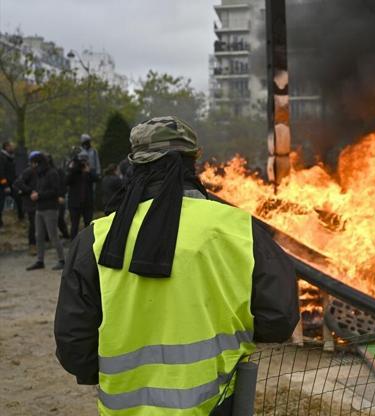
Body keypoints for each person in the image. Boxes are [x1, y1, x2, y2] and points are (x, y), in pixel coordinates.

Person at [55, 116, 299, 415]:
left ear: (135, 164)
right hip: (215, 405)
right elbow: (279, 319)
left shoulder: (95, 238)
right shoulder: (238, 229)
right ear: (193, 161)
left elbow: (74, 346)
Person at [26, 152, 65, 270]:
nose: (32, 166)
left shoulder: (52, 173)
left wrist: (39, 195)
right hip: (40, 208)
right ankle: (40, 260)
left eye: (33, 163)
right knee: (39, 235)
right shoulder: (40, 174)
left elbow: (55, 191)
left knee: (53, 236)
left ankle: (62, 260)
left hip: (50, 209)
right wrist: (34, 193)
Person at [66, 152, 97, 239]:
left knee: (88, 225)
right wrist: (72, 169)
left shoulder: (89, 170)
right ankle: (73, 244)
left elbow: (97, 178)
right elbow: (66, 181)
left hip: (87, 203)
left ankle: (87, 244)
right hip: (74, 203)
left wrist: (88, 171)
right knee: (74, 225)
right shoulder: (73, 172)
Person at [13, 152, 40, 253]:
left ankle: (39, 243)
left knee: (38, 224)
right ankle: (32, 245)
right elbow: (17, 183)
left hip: (37, 202)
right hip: (30, 203)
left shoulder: (39, 171)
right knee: (33, 224)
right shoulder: (29, 171)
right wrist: (29, 191)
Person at [48, 155, 70, 240]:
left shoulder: (58, 171)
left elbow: (63, 184)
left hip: (58, 197)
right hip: (50, 198)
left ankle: (65, 234)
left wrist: (61, 195)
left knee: (60, 217)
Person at [0, 141, 16, 227]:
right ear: (6, 147)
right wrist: (5, 185)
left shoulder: (10, 158)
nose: (13, 148)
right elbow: (1, 173)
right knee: (0, 203)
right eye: (12, 146)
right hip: (3, 184)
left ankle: (21, 217)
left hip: (11, 183)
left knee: (19, 198)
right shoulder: (1, 157)